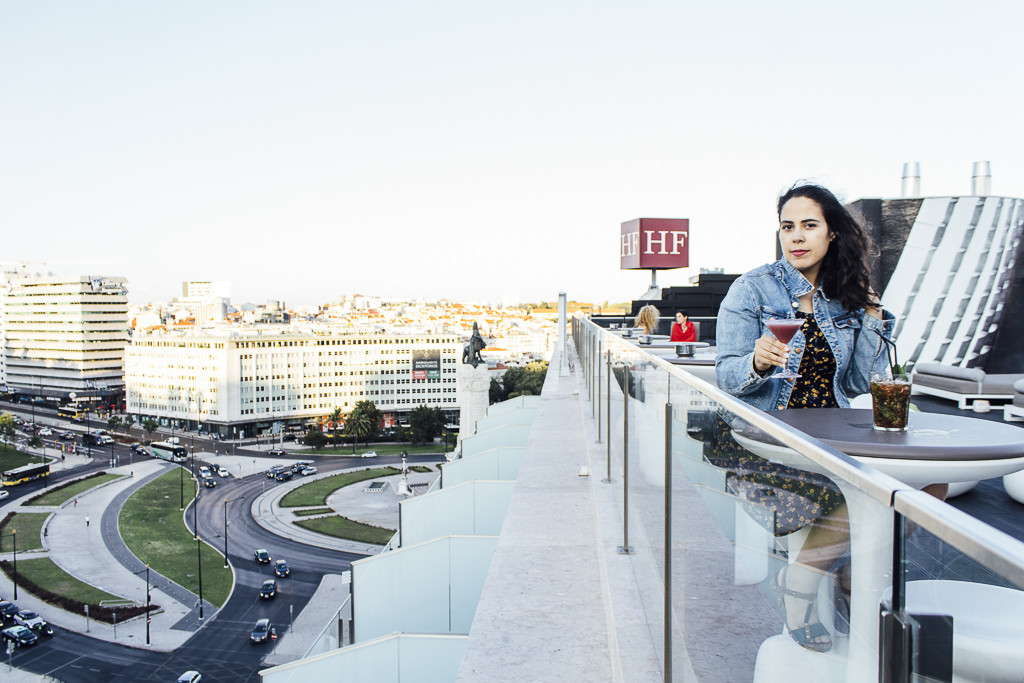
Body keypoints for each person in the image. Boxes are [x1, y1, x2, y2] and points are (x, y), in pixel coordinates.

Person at [715, 183, 896, 653]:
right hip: (767, 434)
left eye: (809, 225)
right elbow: (726, 377)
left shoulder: (846, 297)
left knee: (923, 489)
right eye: (787, 227)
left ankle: (825, 570)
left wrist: (873, 319)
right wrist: (755, 361)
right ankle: (805, 588)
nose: (796, 237)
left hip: (830, 433)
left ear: (832, 234)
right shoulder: (753, 289)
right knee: (861, 496)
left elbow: (859, 382)